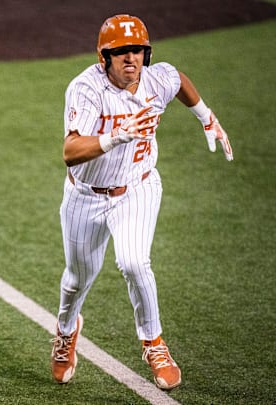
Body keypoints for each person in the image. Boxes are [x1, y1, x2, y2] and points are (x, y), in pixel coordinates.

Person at [50, 14, 233, 390]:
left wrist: (205, 116)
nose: (130, 58)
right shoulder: (86, 89)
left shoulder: (155, 78)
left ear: (145, 54)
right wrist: (115, 137)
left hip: (137, 188)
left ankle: (154, 343)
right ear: (105, 57)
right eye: (120, 52)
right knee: (76, 279)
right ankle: (67, 331)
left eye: (137, 50)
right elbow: (70, 151)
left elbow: (178, 79)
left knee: (134, 261)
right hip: (85, 197)